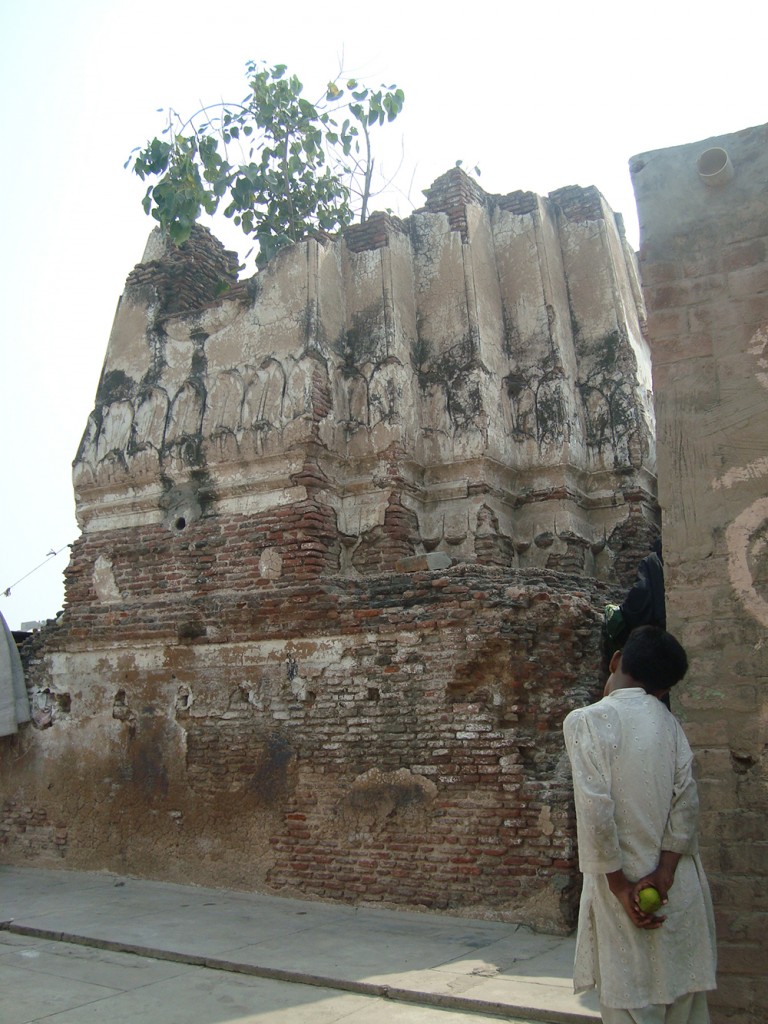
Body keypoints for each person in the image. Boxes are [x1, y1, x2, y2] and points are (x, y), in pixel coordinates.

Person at [563, 626, 716, 1023]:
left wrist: (622, 888)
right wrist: (663, 874)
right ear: (663, 690)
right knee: (684, 1005)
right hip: (676, 895)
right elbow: (687, 804)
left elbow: (595, 813)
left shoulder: (586, 721)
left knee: (631, 1007)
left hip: (625, 900)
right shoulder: (670, 725)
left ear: (616, 661)